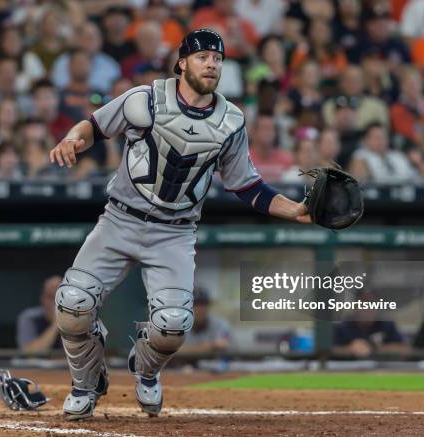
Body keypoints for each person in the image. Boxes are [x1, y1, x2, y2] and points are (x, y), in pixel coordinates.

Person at [48, 29, 311, 420]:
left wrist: (298, 211)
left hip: (174, 230)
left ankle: (145, 368)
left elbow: (248, 185)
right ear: (182, 62)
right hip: (120, 218)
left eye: (218, 58)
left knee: (173, 325)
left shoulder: (231, 120)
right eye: (203, 56)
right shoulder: (145, 99)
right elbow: (95, 126)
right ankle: (86, 383)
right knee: (72, 304)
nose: (211, 64)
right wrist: (72, 138)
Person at [332, 290, 410, 358]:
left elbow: (404, 349)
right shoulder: (344, 326)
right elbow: (327, 350)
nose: (367, 308)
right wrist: (350, 348)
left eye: (371, 304)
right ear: (355, 306)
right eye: (363, 304)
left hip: (382, 371)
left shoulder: (387, 324)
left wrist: (373, 348)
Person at [349, 123, 418, 183]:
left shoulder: (398, 156)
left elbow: (413, 177)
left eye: (383, 137)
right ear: (366, 140)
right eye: (377, 137)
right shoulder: (360, 156)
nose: (381, 141)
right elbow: (360, 183)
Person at [180, 288, 232, 354]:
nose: (200, 309)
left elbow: (224, 344)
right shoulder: (179, 325)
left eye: (203, 304)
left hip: (212, 363)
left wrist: (190, 349)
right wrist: (211, 345)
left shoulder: (219, 323)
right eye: (195, 305)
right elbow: (173, 350)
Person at [16, 276, 62, 352]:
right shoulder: (30, 317)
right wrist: (56, 324)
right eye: (51, 297)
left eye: (60, 297)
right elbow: (28, 353)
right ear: (42, 299)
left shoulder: (78, 317)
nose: (55, 303)